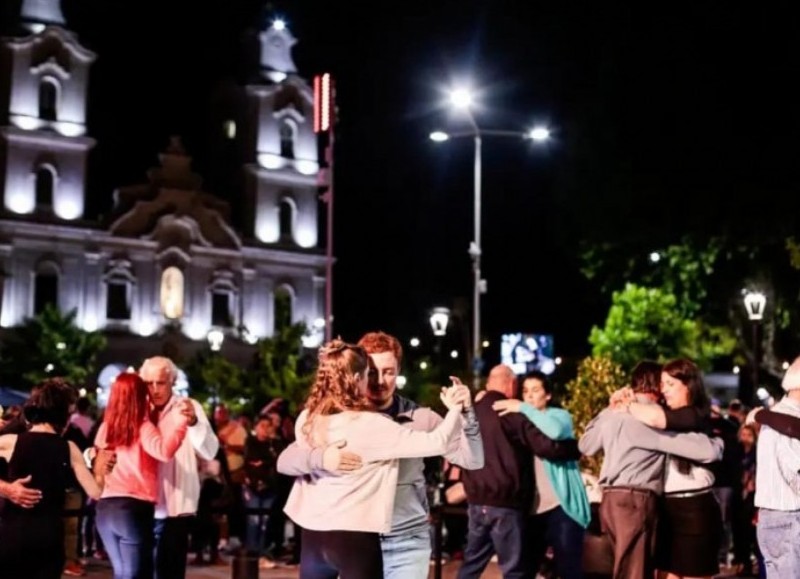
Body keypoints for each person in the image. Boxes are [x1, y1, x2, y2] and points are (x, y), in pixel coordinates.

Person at [278, 331, 483, 578]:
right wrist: (321, 458)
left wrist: (467, 413)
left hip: (405, 540)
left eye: (388, 372)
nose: (379, 381)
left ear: (398, 372)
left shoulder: (421, 417)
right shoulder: (331, 418)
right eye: (372, 372)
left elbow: (472, 460)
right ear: (359, 373)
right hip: (355, 539)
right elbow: (286, 460)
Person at [580, 360, 724, 579]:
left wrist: (612, 408)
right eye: (662, 383)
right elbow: (690, 446)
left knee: (626, 568)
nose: (664, 389)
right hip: (643, 503)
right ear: (654, 386)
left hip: (618, 501)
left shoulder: (621, 413)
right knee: (634, 570)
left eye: (670, 383)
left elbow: (586, 445)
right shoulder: (647, 416)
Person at [456, 364, 581, 579]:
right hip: (506, 504)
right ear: (512, 385)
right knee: (514, 570)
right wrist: (575, 448)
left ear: (488, 385)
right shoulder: (509, 411)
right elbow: (546, 447)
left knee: (471, 564)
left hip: (476, 503)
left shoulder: (470, 413)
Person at [0, 378, 108, 579]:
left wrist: (6, 489)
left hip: (12, 536)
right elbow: (96, 492)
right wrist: (100, 470)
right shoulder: (69, 448)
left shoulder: (9, 442)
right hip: (49, 539)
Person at [493, 370, 590, 579]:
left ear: (547, 395)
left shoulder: (559, 416)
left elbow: (554, 431)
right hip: (532, 510)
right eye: (525, 391)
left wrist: (522, 407)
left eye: (535, 390)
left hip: (561, 507)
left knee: (568, 570)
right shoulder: (519, 421)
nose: (529, 395)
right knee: (526, 569)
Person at [94, 372, 189, 579]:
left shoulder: (105, 428)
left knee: (122, 573)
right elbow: (163, 451)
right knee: (137, 574)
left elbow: (97, 460)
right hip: (133, 508)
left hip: (105, 508)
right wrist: (182, 424)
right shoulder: (141, 426)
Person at [139, 355, 219, 579]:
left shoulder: (188, 407)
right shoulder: (137, 410)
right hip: (141, 503)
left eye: (161, 382)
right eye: (149, 383)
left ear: (172, 381)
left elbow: (210, 450)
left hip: (176, 504)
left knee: (171, 570)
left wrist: (193, 423)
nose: (155, 389)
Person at [752, 356, 800, 577]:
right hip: (790, 517)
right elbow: (796, 472)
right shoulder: (786, 418)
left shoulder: (778, 416)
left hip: (781, 518)